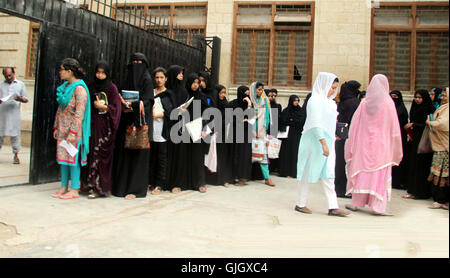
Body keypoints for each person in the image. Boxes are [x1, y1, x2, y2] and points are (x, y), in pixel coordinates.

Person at [345, 74, 403, 216]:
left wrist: (352, 143)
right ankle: (378, 207)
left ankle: (357, 202)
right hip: (382, 146)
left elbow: (354, 126)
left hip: (364, 145)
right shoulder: (388, 103)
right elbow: (394, 128)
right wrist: (396, 148)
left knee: (363, 172)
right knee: (379, 174)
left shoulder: (364, 103)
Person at [294, 72, 350, 217]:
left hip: (328, 142)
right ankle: (300, 203)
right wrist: (323, 142)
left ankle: (333, 206)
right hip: (314, 142)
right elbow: (315, 123)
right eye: (331, 87)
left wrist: (334, 134)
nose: (333, 91)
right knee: (307, 172)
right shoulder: (315, 100)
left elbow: (330, 123)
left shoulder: (330, 103)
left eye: (335, 88)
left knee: (329, 174)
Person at [112, 53, 153, 200]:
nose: (136, 65)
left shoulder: (147, 80)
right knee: (125, 155)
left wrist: (139, 103)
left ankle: (136, 190)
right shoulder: (127, 79)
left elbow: (148, 101)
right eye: (133, 62)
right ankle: (121, 187)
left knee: (138, 156)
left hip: (140, 125)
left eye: (139, 62)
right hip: (126, 122)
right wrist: (122, 101)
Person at [80, 61, 121, 199]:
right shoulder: (91, 86)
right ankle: (88, 185)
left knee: (101, 156)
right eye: (98, 72)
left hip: (105, 128)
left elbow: (117, 108)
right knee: (90, 154)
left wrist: (104, 107)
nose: (100, 75)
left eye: (103, 73)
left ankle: (99, 188)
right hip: (91, 125)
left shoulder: (112, 88)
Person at [51, 58, 90, 200]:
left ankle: (74, 189)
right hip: (62, 129)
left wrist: (73, 132)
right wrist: (56, 126)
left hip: (74, 132)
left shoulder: (80, 89)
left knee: (73, 160)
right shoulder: (65, 88)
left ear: (69, 71)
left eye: (61, 69)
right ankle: (63, 187)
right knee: (63, 159)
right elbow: (60, 109)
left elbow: (80, 113)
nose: (60, 72)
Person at [169, 73, 209, 193]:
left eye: (197, 82)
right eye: (193, 82)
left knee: (197, 156)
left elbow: (207, 114)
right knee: (183, 156)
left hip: (197, 128)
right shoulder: (184, 95)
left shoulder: (201, 97)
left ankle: (200, 183)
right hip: (183, 129)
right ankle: (179, 184)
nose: (195, 85)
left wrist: (204, 129)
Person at [403, 90, 436, 200]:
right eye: (416, 97)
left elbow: (428, 124)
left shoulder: (428, 108)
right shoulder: (415, 107)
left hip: (424, 140)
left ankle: (421, 192)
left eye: (420, 97)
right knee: (413, 165)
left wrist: (414, 124)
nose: (417, 99)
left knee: (421, 166)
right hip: (416, 139)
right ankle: (413, 191)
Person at [149, 67, 175, 195]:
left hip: (162, 131)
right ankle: (151, 182)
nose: (159, 80)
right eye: (157, 77)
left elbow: (172, 112)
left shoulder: (168, 94)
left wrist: (160, 115)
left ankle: (159, 184)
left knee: (161, 158)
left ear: (166, 79)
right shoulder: (150, 92)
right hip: (150, 130)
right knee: (151, 157)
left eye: (161, 77)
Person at [334, 80, 361, 197]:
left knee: (339, 162)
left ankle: (340, 188)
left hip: (340, 136)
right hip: (352, 137)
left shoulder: (342, 102)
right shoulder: (355, 103)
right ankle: (350, 188)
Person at [165, 65, 189, 194]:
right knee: (166, 154)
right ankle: (164, 182)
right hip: (167, 125)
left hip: (180, 126)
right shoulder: (166, 90)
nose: (181, 75)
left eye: (182, 73)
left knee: (179, 154)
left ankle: (176, 183)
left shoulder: (183, 91)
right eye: (179, 73)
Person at [205, 85, 234, 187]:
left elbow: (229, 118)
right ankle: (211, 179)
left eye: (224, 93)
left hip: (222, 133)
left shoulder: (226, 104)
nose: (223, 95)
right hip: (212, 133)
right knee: (212, 155)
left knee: (221, 157)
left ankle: (222, 179)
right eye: (221, 93)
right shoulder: (212, 104)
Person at [426, 88, 449, 210]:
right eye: (442, 95)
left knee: (442, 174)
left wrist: (430, 123)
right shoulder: (443, 108)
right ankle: (439, 198)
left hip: (445, 147)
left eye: (445, 96)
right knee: (438, 173)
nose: (442, 98)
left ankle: (441, 200)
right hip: (440, 145)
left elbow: (443, 124)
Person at [249, 82, 276, 186]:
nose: (260, 91)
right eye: (258, 89)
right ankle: (244, 176)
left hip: (261, 132)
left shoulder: (265, 101)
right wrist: (252, 130)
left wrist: (263, 129)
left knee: (263, 154)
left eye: (261, 89)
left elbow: (267, 117)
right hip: (249, 132)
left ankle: (267, 178)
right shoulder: (249, 100)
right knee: (248, 154)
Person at [0, 67, 28, 164]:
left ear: (14, 73)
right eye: (6, 76)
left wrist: (19, 98)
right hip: (2, 114)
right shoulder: (1, 85)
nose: (8, 77)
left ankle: (16, 155)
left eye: (10, 75)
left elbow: (26, 99)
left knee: (15, 134)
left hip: (14, 114)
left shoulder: (20, 84)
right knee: (0, 133)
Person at [229, 85, 253, 186]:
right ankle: (234, 177)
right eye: (245, 93)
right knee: (236, 154)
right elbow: (230, 118)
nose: (246, 96)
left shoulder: (250, 104)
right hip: (235, 132)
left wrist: (249, 104)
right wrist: (240, 120)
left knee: (245, 154)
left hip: (246, 132)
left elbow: (251, 118)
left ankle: (243, 177)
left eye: (248, 93)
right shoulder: (233, 103)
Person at [278, 95, 305, 178]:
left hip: (296, 134)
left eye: (298, 100)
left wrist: (291, 121)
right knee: (286, 152)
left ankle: (293, 172)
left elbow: (301, 121)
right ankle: (284, 171)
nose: (296, 102)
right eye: (295, 100)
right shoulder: (286, 110)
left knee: (294, 152)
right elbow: (283, 120)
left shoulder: (300, 111)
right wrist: (291, 121)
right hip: (287, 135)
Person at [390, 90, 409, 189]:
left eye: (395, 96)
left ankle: (398, 181)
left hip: (400, 136)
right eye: (391, 96)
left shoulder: (402, 109)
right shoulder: (388, 108)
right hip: (389, 137)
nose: (393, 98)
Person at [267, 88, 283, 173]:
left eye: (274, 96)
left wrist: (274, 132)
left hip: (273, 130)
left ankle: (272, 168)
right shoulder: (266, 105)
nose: (272, 97)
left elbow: (277, 118)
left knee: (273, 149)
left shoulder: (278, 106)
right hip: (266, 129)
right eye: (270, 96)